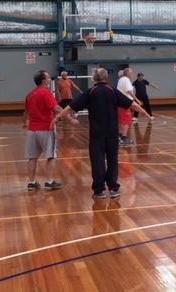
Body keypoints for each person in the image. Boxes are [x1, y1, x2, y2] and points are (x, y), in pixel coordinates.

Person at [57, 68, 149, 198]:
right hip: (112, 133)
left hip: (96, 134)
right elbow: (131, 104)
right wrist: (144, 111)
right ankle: (113, 188)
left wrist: (57, 116)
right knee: (112, 160)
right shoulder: (112, 90)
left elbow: (70, 107)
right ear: (106, 78)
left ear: (94, 78)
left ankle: (99, 190)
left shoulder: (91, 91)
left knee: (97, 161)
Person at [24, 70, 75, 191]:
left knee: (32, 158)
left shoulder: (30, 94)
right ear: (43, 81)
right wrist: (70, 118)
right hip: (46, 129)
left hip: (32, 130)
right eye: (48, 78)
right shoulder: (45, 93)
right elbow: (56, 108)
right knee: (51, 156)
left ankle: (31, 183)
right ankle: (49, 181)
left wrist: (24, 122)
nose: (49, 79)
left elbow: (26, 112)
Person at [116, 68, 140, 145]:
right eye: (132, 73)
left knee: (121, 120)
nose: (133, 74)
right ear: (128, 73)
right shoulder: (126, 80)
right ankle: (124, 138)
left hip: (120, 103)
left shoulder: (121, 79)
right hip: (125, 103)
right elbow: (129, 91)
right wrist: (136, 99)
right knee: (125, 121)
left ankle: (119, 136)